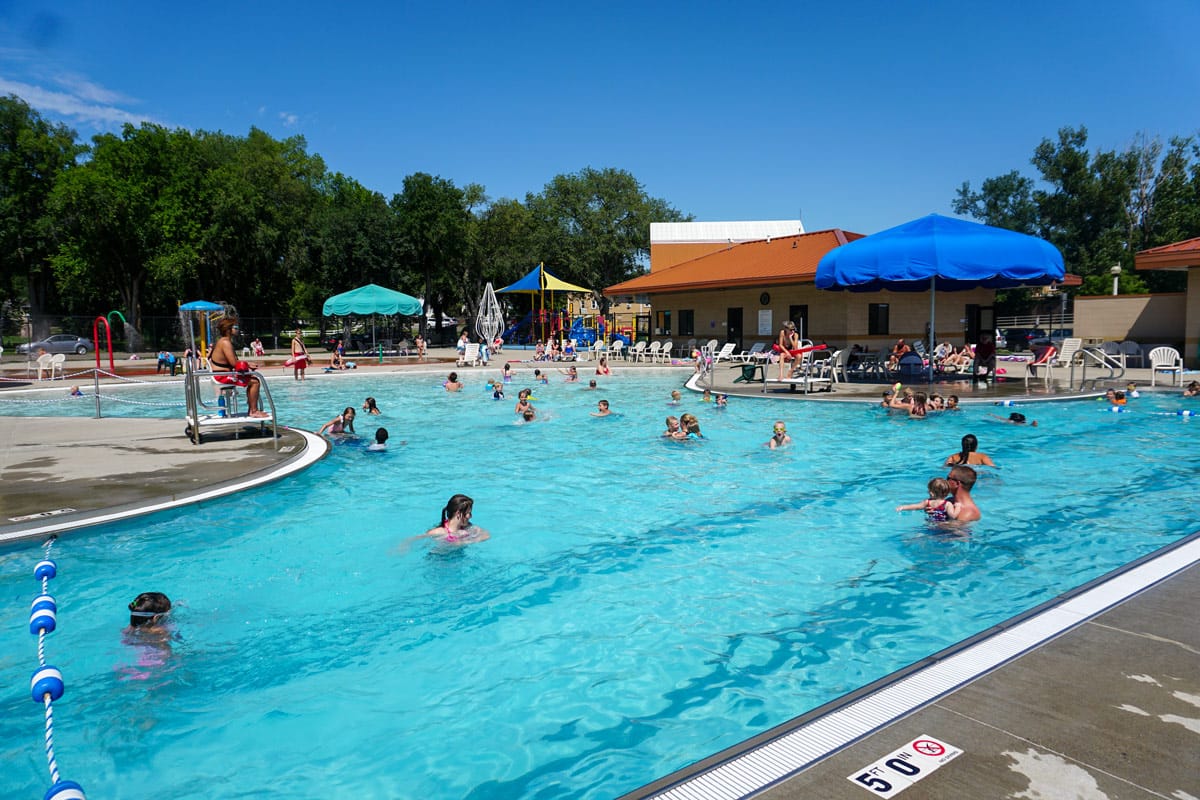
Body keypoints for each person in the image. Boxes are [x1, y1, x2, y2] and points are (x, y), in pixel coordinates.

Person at [210, 318, 268, 417]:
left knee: (253, 379)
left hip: (223, 374)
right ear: (228, 329)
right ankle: (253, 411)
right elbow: (234, 364)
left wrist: (248, 364)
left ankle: (252, 408)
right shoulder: (225, 343)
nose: (238, 329)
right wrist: (248, 364)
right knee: (255, 381)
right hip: (221, 376)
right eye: (235, 327)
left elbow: (234, 362)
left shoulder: (223, 341)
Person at [423, 494, 489, 546]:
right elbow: (416, 540)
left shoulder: (467, 527)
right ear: (458, 514)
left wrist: (465, 541)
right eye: (468, 513)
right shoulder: (439, 532)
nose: (471, 516)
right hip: (440, 560)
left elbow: (486, 535)